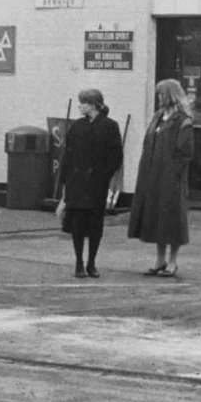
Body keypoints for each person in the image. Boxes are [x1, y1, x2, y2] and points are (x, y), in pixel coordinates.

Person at [126, 78, 194, 277]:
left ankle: (173, 261)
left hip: (171, 178)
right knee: (157, 217)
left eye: (161, 94)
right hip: (152, 176)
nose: (159, 98)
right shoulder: (157, 116)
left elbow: (185, 153)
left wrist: (175, 174)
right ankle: (159, 259)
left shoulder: (183, 120)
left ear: (171, 95)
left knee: (172, 219)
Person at [57, 88, 123, 279]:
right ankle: (79, 262)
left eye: (83, 102)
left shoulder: (110, 126)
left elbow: (116, 155)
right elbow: (68, 155)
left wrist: (103, 175)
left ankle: (92, 262)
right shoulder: (77, 126)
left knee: (95, 223)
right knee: (77, 223)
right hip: (77, 182)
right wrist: (65, 181)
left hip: (96, 183)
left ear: (93, 104)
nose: (80, 106)